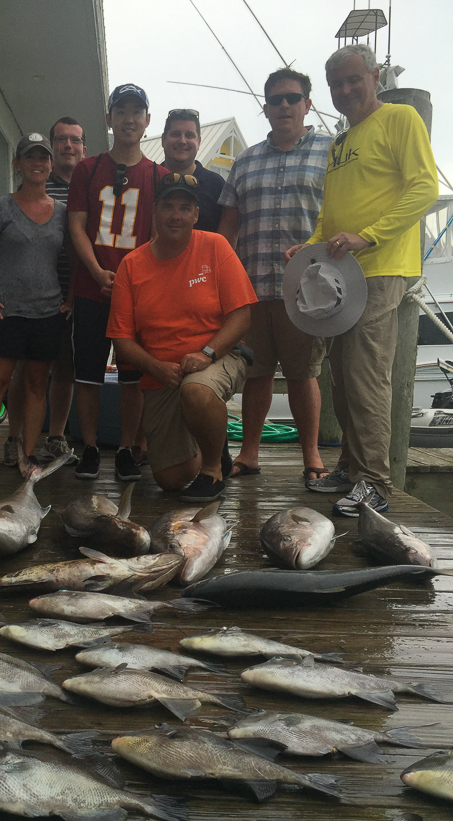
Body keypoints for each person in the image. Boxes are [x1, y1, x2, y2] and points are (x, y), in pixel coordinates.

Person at [286, 44, 438, 515]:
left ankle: (376, 481)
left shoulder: (399, 120)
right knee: (342, 380)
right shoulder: (338, 144)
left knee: (367, 377)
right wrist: (308, 247)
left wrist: (369, 236)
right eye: (337, 84)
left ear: (375, 77)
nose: (346, 90)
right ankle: (351, 467)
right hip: (339, 278)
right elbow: (330, 218)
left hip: (381, 269)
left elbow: (425, 187)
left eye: (354, 79)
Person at [107, 173, 258, 502]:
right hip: (163, 375)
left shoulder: (215, 246)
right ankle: (213, 443)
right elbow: (122, 341)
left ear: (196, 214)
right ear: (155, 213)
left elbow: (241, 316)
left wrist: (207, 353)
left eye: (185, 207)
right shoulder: (131, 266)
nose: (176, 215)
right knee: (169, 480)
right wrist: (157, 367)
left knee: (198, 391)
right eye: (168, 206)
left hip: (216, 356)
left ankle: (214, 471)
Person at [218, 69, 332, 481]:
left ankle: (312, 457)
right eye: (276, 100)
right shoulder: (245, 160)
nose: (284, 106)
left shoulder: (331, 152)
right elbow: (228, 228)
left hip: (307, 289)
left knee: (304, 374)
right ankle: (249, 453)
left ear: (308, 103)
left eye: (293, 98)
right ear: (265, 108)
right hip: (251, 287)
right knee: (256, 372)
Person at [68, 84, 168, 481]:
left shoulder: (158, 175)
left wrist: (132, 279)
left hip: (135, 292)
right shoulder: (87, 169)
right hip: (91, 287)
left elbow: (161, 235)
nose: (129, 118)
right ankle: (89, 447)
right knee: (88, 375)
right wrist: (95, 271)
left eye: (137, 111)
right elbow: (76, 225)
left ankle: (128, 448)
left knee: (132, 377)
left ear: (147, 120)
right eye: (121, 111)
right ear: (108, 119)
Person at [0, 133, 70, 482]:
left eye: (43, 158)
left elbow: (77, 257)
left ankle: (28, 454)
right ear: (18, 163)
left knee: (37, 385)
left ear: (51, 165)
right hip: (6, 311)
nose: (37, 164)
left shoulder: (64, 214)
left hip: (48, 312)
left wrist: (72, 299)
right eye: (30, 157)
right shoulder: (3, 207)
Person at [4, 117, 86, 468]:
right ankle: (13, 437)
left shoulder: (89, 186)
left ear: (84, 148)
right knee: (25, 369)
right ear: (53, 149)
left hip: (77, 290)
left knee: (66, 366)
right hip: (35, 294)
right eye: (62, 140)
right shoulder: (38, 184)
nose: (69, 145)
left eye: (75, 140)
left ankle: (55, 436)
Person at [160, 109, 224, 232]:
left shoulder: (217, 186)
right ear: (163, 140)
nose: (182, 141)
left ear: (199, 142)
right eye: (175, 134)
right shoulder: (149, 179)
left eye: (189, 135)